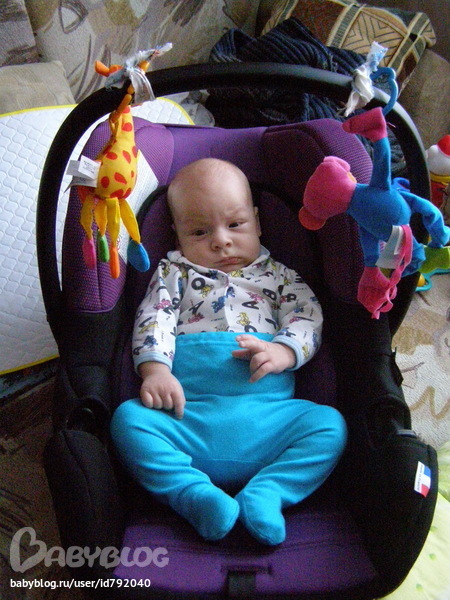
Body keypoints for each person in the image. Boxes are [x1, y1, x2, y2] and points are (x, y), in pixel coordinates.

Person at [111, 158, 347, 545]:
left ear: (257, 221)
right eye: (200, 231)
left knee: (329, 426)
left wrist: (284, 351)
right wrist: (156, 371)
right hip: (188, 414)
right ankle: (193, 494)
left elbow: (307, 316)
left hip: (269, 419)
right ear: (177, 237)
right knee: (128, 420)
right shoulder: (174, 273)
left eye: (235, 224)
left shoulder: (279, 276)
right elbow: (155, 317)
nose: (221, 241)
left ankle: (268, 493)